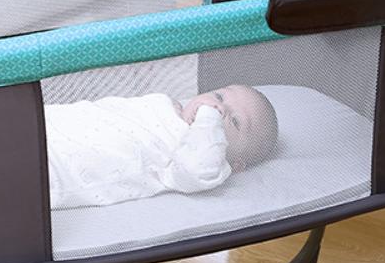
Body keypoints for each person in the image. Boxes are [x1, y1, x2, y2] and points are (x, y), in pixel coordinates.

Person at [45, 84, 279, 209]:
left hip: (54, 167)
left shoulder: (193, 158)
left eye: (235, 121)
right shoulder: (165, 104)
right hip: (46, 122)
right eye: (219, 96)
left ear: (235, 165)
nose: (220, 107)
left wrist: (209, 118)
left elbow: (198, 167)